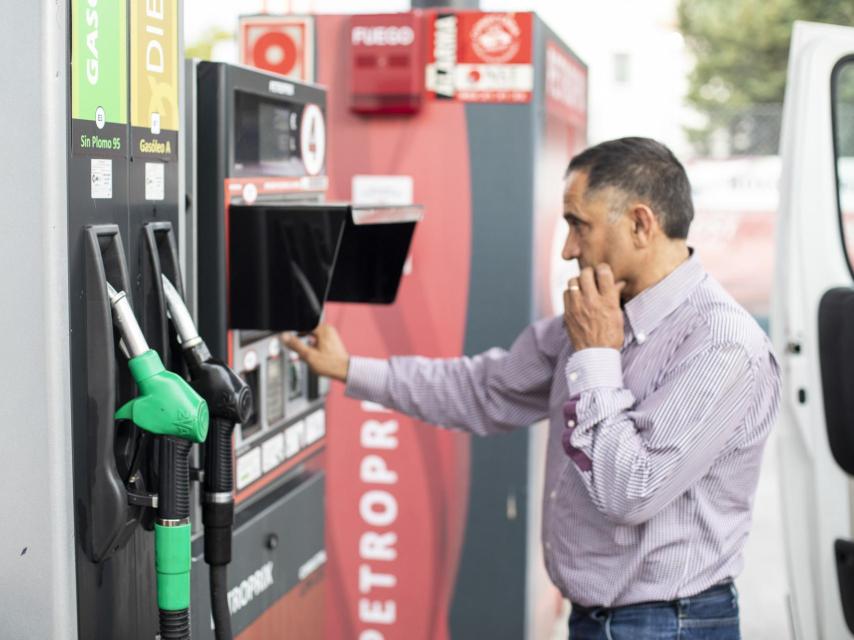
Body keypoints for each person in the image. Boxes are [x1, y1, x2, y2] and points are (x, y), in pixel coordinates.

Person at [284, 137, 781, 639]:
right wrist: (350, 368)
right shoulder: (600, 316)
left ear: (640, 224)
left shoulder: (722, 344)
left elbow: (631, 492)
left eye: (577, 225)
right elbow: (484, 390)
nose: (568, 249)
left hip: (668, 625)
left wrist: (595, 358)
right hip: (599, 620)